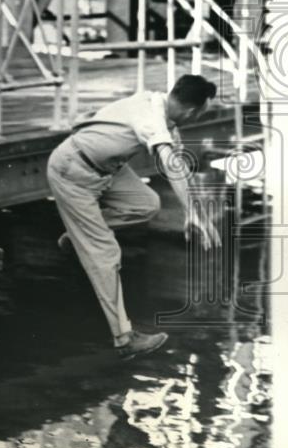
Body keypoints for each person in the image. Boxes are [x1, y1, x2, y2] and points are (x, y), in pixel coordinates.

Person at [46, 74, 223, 360]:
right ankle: (124, 338)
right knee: (105, 254)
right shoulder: (150, 115)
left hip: (106, 170)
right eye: (203, 111)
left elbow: (176, 167)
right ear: (193, 111)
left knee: (146, 203)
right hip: (73, 171)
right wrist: (191, 211)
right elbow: (168, 161)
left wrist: (197, 212)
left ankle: (78, 235)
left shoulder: (166, 117)